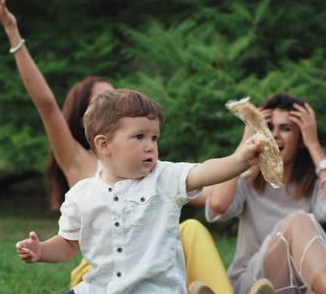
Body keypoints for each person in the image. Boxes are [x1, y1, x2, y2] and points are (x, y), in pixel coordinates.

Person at [0, 0, 234, 292]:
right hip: (101, 277)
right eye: (103, 99)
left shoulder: (155, 171)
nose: (113, 102)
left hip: (150, 273)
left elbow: (212, 193)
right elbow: (45, 103)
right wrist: (11, 30)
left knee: (191, 228)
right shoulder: (76, 161)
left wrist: (246, 154)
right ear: (95, 130)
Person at [14, 88, 264, 293]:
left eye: (154, 138)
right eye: (139, 137)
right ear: (104, 144)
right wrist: (42, 251)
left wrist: (239, 160)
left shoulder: (165, 178)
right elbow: (68, 244)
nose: (150, 146)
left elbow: (205, 171)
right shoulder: (82, 195)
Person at [203, 93, 326, 294]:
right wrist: (247, 138)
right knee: (298, 221)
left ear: (300, 138)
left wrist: (313, 144)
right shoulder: (247, 179)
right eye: (268, 127)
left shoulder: (311, 184)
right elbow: (218, 205)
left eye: (285, 128)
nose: (274, 135)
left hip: (303, 281)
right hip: (256, 284)